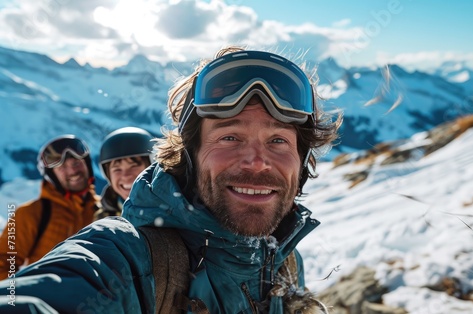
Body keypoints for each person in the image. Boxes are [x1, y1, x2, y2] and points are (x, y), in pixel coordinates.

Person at [0, 47, 342, 313]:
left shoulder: (284, 261)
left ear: (302, 161)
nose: (256, 162)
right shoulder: (130, 258)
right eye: (229, 137)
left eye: (278, 140)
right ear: (188, 155)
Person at [0, 135, 99, 280]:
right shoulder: (32, 213)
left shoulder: (104, 211)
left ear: (88, 165)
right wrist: (18, 297)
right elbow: (3, 263)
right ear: (52, 176)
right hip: (45, 300)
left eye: (77, 163)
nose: (73, 171)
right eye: (63, 167)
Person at [94, 127, 154, 219]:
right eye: (117, 169)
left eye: (133, 166)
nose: (126, 176)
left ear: (152, 168)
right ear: (108, 176)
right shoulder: (100, 219)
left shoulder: (175, 209)